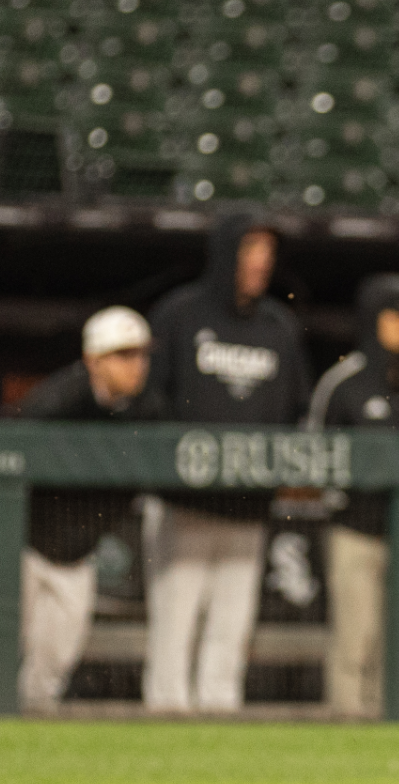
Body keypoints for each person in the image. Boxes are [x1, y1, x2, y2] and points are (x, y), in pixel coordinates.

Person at [143, 207, 314, 712]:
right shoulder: (180, 314)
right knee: (175, 620)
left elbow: (295, 411)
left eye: (267, 251)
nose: (261, 261)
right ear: (225, 253)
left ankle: (220, 713)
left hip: (247, 504)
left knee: (232, 623)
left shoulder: (278, 326)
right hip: (184, 501)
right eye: (250, 249)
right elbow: (150, 400)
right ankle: (165, 714)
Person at [304, 274, 399, 718]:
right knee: (356, 639)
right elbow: (315, 457)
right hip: (355, 530)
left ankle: (395, 731)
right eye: (398, 317)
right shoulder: (343, 383)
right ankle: (348, 725)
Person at [11, 307, 162, 710]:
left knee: (53, 666)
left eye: (142, 355)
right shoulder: (55, 401)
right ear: (94, 360)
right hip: (23, 547)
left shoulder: (147, 412)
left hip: (77, 554)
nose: (137, 366)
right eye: (124, 355)